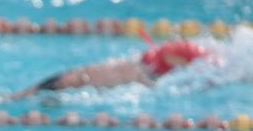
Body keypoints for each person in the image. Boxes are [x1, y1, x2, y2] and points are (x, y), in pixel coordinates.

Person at [11, 37, 209, 99]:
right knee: (74, 80)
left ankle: (20, 95)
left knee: (74, 79)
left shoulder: (163, 58)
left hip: (121, 72)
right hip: (119, 74)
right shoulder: (167, 56)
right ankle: (19, 95)